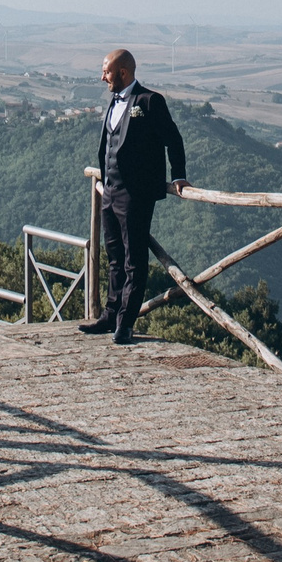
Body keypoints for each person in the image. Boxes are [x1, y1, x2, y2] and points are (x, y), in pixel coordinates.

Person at [81, 48, 189, 344]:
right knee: (114, 257)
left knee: (134, 260)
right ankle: (109, 315)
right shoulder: (114, 101)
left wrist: (178, 175)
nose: (102, 77)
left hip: (136, 195)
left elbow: (173, 139)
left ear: (123, 72)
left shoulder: (150, 101)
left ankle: (125, 323)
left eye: (106, 72)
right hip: (109, 191)